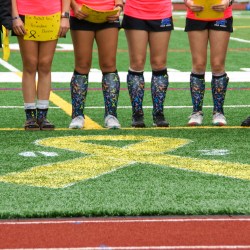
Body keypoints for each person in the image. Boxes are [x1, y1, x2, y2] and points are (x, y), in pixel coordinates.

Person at [11, 0, 70, 130]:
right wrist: (15, 17)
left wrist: (65, 16)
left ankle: (43, 115)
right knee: (30, 65)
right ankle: (30, 116)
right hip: (25, 14)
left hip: (53, 16)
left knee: (45, 65)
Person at [69, 0, 123, 129]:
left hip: (108, 15)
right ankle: (77, 115)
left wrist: (119, 6)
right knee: (82, 65)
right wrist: (74, 6)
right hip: (81, 14)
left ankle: (111, 115)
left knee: (109, 64)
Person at [121, 0, 173, 128]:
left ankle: (158, 113)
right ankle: (137, 113)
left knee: (159, 63)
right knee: (137, 63)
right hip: (135, 10)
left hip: (162, 11)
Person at [184, 0, 234, 126]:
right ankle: (196, 112)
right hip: (196, 14)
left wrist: (228, 1)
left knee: (218, 65)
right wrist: (188, 2)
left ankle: (218, 111)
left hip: (222, 14)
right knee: (198, 64)